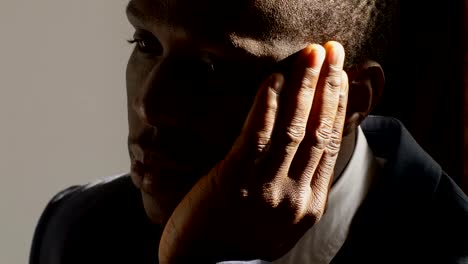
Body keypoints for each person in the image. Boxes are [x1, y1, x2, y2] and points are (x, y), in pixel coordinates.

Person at [29, 0, 468, 263]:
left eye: (212, 67)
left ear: (350, 98)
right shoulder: (78, 228)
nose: (151, 105)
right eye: (145, 42)